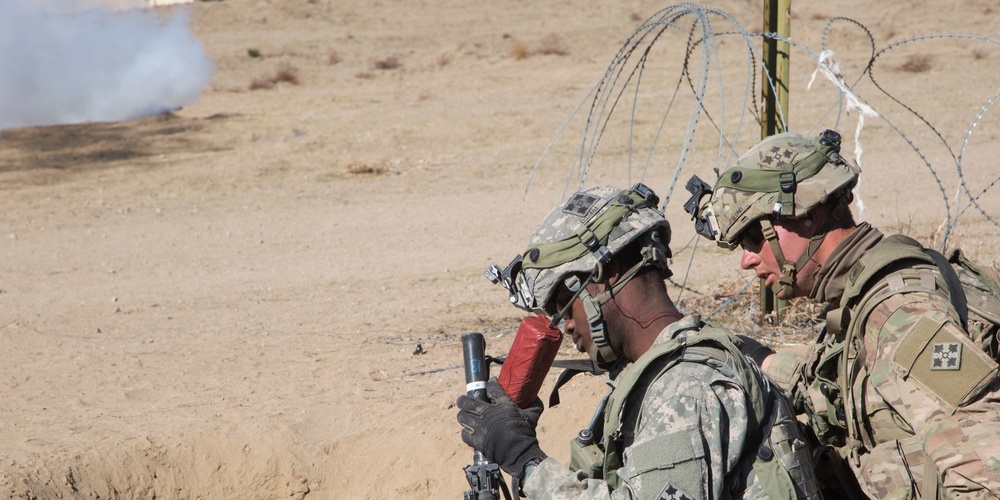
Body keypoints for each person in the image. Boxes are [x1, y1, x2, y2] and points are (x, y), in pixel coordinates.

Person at [457, 183, 822, 499]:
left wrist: (527, 462)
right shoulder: (662, 371)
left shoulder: (686, 387)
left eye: (564, 306)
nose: (566, 326)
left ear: (604, 277)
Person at [692, 129, 1000, 498]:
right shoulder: (862, 298)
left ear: (809, 215)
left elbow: (985, 468)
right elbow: (837, 388)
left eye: (752, 238)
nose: (747, 260)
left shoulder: (899, 315)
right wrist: (759, 360)